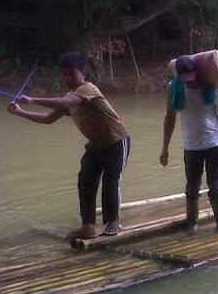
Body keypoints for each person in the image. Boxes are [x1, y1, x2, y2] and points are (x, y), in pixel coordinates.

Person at [7, 52, 130, 239]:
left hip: (116, 141)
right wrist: (20, 112)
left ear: (83, 74)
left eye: (71, 74)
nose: (67, 78)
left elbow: (66, 102)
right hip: (96, 144)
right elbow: (48, 120)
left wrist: (33, 100)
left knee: (110, 182)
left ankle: (113, 222)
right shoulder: (69, 97)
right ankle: (88, 226)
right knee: (85, 180)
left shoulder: (89, 89)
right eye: (64, 75)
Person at [160, 55, 218, 234]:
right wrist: (165, 148)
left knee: (215, 187)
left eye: (191, 79)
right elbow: (170, 118)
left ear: (196, 73)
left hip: (213, 142)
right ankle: (192, 223)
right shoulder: (174, 88)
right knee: (191, 188)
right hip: (191, 145)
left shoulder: (212, 84)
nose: (189, 83)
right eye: (185, 80)